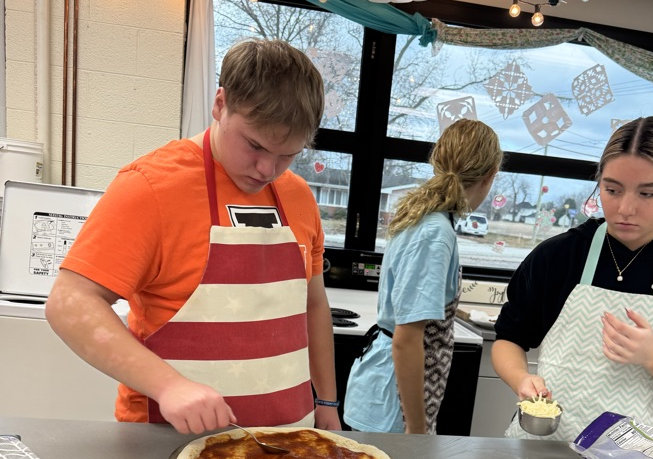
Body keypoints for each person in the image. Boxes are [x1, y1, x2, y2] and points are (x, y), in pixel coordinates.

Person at [46, 39, 341, 435]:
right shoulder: (150, 188)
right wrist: (169, 386)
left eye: (287, 154)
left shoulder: (299, 197)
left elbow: (313, 304)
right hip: (166, 442)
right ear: (220, 104)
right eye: (254, 144)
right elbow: (69, 303)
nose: (267, 168)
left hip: (286, 441)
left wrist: (326, 400)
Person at [492, 116, 653, 443]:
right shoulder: (559, 256)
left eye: (647, 194)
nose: (625, 209)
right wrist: (521, 379)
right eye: (612, 189)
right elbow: (508, 339)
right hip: (540, 449)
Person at [345, 119, 501, 434]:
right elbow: (406, 339)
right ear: (489, 177)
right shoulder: (434, 233)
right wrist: (417, 432)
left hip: (387, 389)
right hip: (393, 404)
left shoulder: (425, 218)